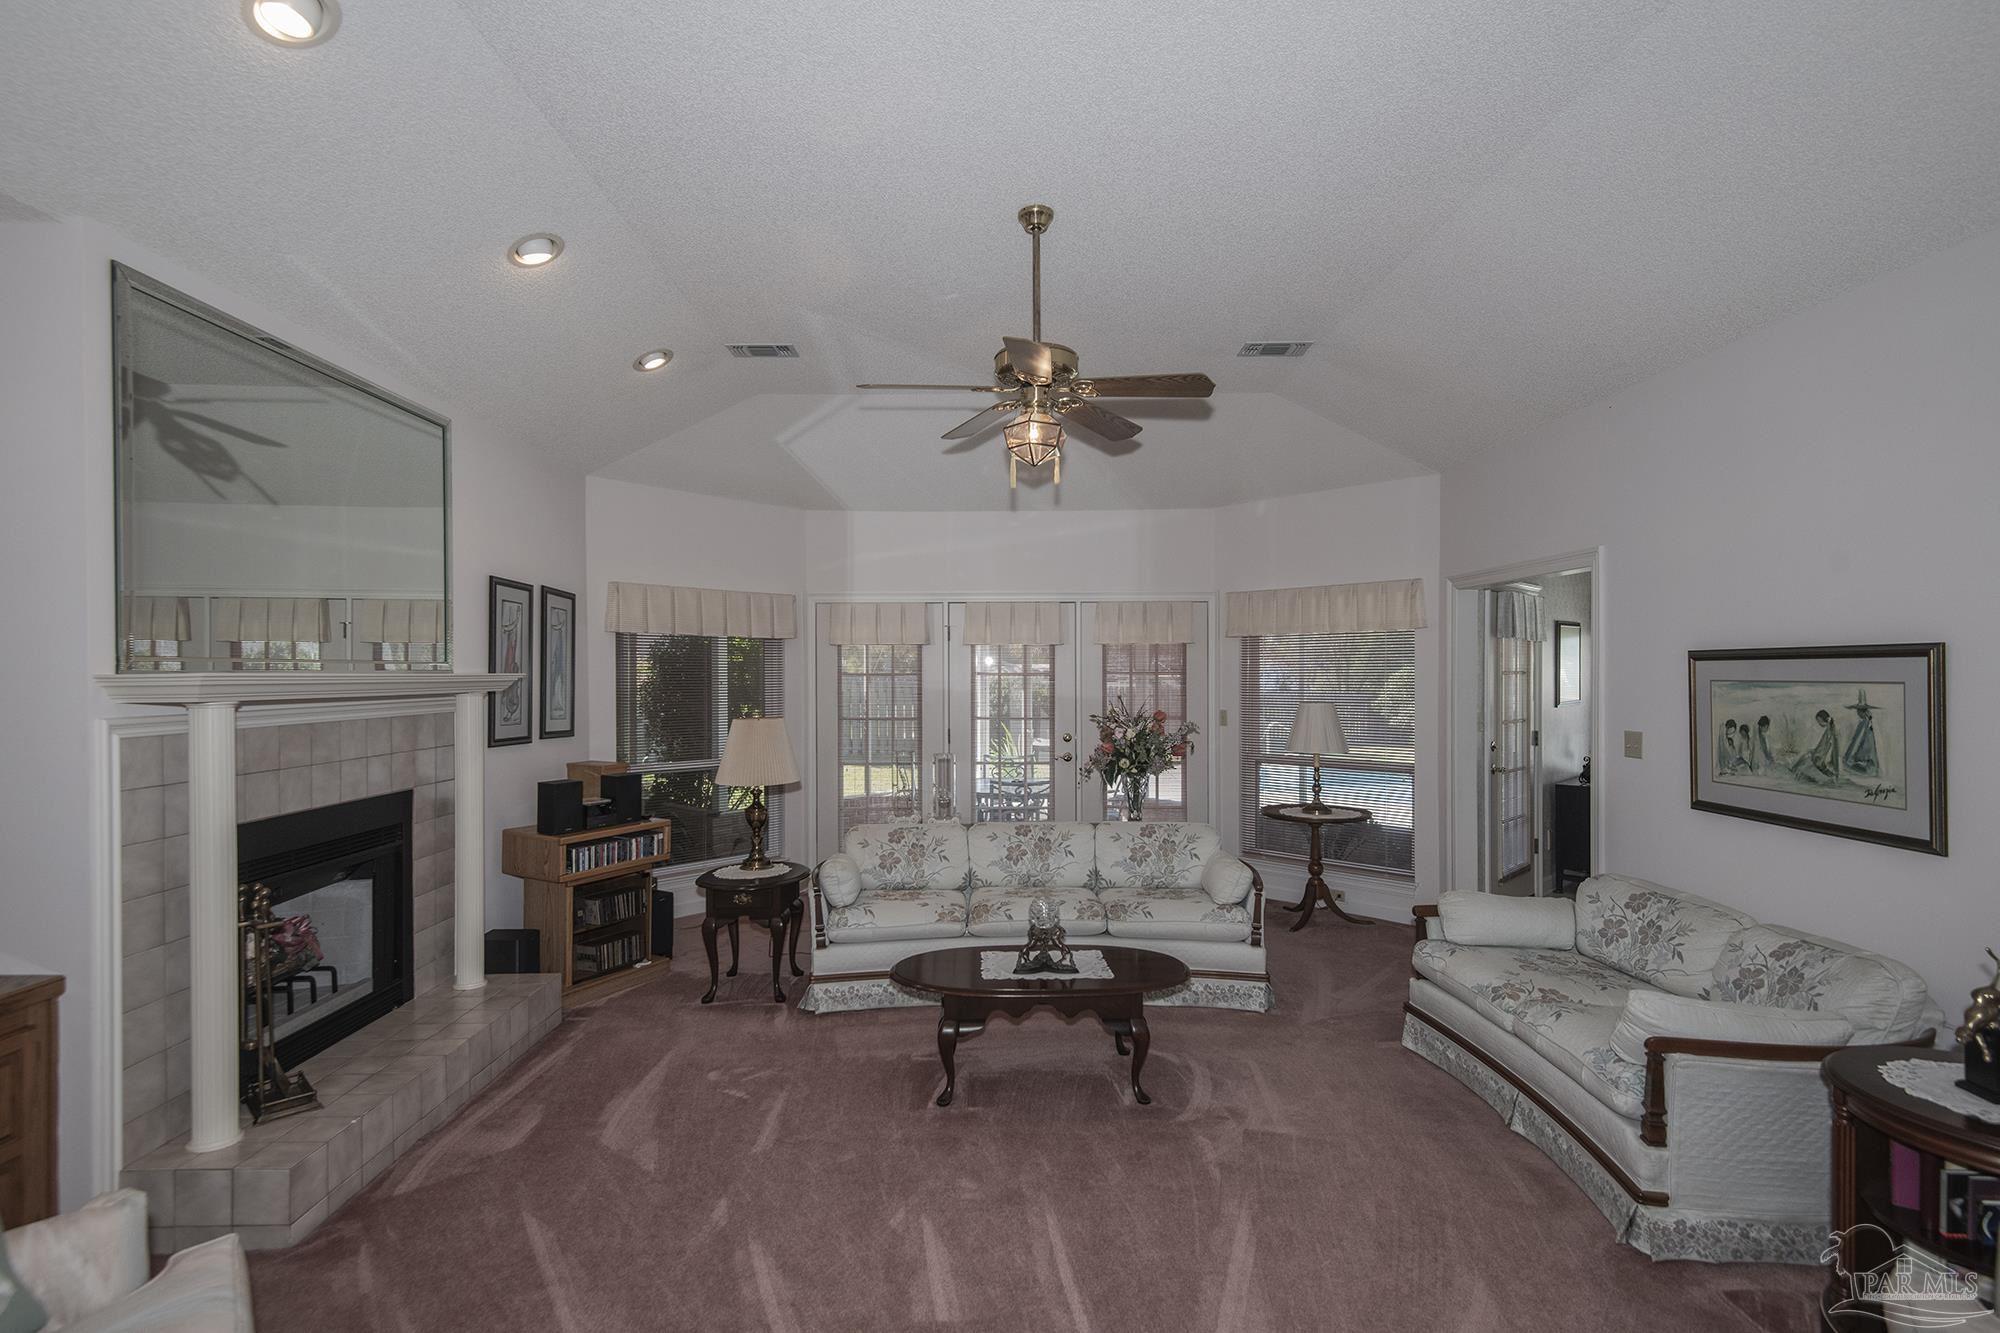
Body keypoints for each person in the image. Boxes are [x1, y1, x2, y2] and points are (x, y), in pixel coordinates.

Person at [1790, 709, 1841, 785]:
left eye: (1819, 721)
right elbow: (1822, 746)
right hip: (1819, 754)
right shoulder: (1829, 729)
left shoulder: (1831, 731)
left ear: (1825, 719)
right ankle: (1794, 769)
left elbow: (1827, 748)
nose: (1819, 723)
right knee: (1807, 753)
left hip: (1820, 757)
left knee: (1806, 756)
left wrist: (1816, 754)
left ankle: (1793, 770)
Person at [1843, 689, 1881, 776]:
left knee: (1845, 765)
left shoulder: (1864, 723)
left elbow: (1856, 743)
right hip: (1871, 765)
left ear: (1860, 711)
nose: (1857, 712)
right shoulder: (1868, 722)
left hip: (1865, 767)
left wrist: (1847, 760)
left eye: (1857, 710)